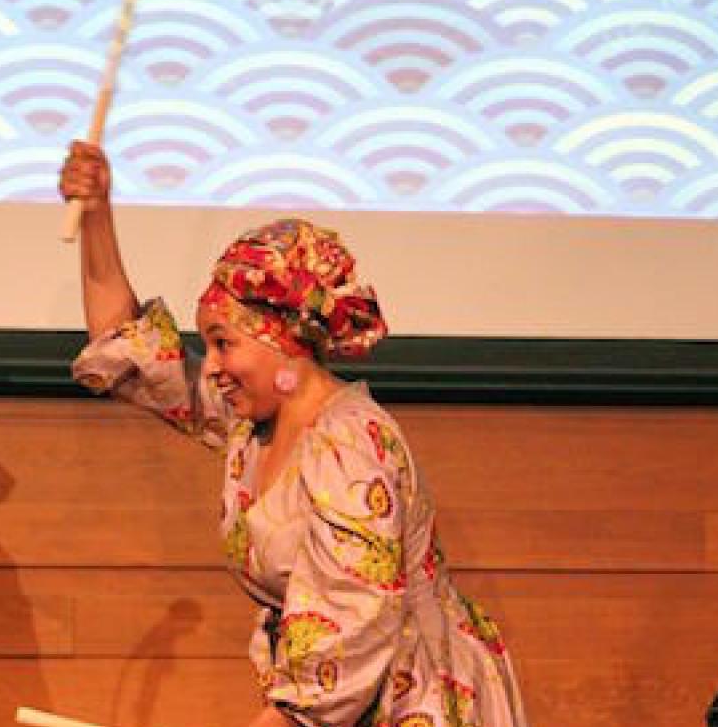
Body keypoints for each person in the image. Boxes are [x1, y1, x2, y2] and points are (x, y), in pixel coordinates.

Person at [60, 142, 527, 727]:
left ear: (283, 342)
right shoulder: (252, 426)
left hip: (406, 700)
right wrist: (98, 213)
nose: (210, 366)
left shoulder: (350, 446)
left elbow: (346, 633)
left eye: (225, 343)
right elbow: (128, 349)